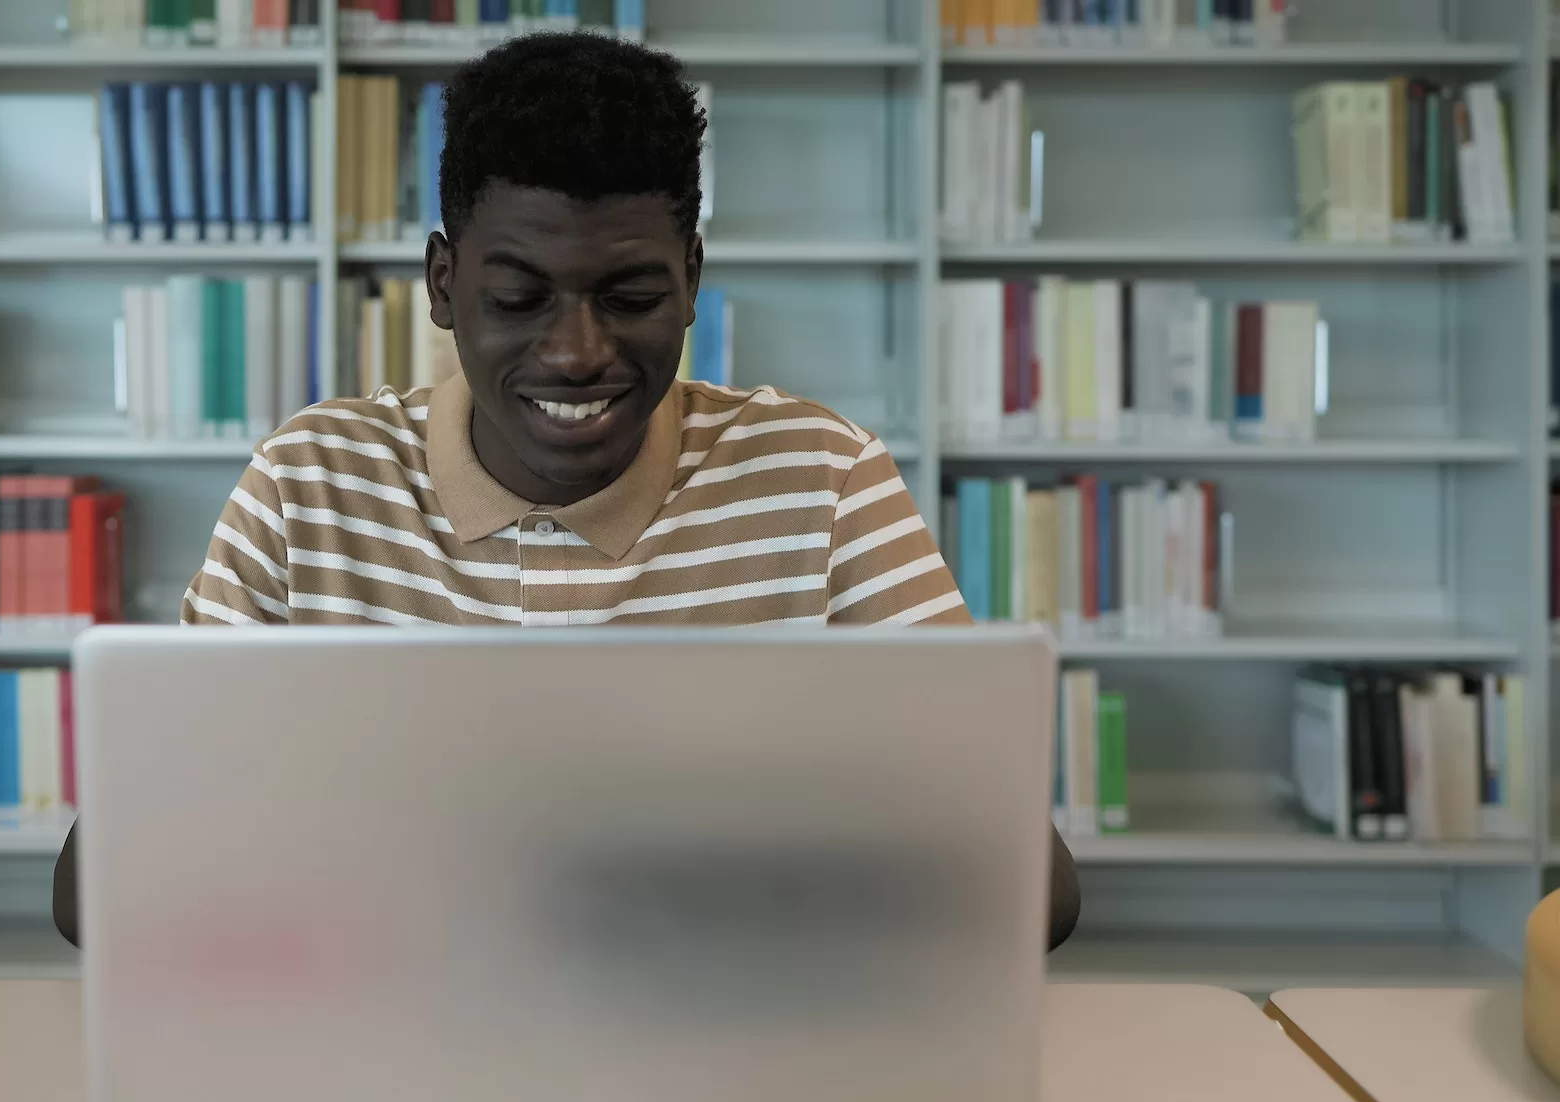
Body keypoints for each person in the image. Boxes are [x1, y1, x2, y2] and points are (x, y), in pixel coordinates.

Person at [53, 31, 1078, 949]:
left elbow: (1037, 891)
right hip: (387, 1046)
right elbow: (91, 890)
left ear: (690, 276)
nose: (577, 352)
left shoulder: (821, 478)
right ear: (443, 285)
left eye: (629, 298)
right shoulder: (308, 485)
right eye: (517, 298)